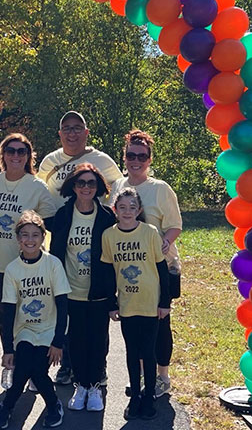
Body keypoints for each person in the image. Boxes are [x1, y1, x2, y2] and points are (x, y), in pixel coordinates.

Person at [37, 111, 122, 384]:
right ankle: (68, 365)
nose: (71, 133)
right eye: (66, 129)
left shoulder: (101, 160)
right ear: (59, 133)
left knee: (96, 320)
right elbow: (40, 195)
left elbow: (119, 192)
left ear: (86, 133)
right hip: (62, 240)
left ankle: (99, 368)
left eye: (77, 128)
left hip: (96, 241)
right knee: (67, 314)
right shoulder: (49, 161)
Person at [107, 129, 182, 398]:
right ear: (124, 157)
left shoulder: (160, 189)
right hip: (130, 271)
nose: (135, 160)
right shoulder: (117, 186)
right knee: (137, 325)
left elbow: (174, 226)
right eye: (130, 155)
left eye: (142, 155)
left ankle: (162, 376)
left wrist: (161, 246)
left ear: (149, 159)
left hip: (162, 268)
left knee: (160, 324)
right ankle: (140, 374)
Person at [0, 211, 71, 429]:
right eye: (24, 235)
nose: (29, 240)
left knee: (36, 369)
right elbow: (8, 312)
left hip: (49, 329)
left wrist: (58, 342)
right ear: (18, 239)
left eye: (35, 235)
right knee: (26, 367)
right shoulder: (13, 269)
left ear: (43, 237)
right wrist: (8, 348)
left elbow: (63, 306)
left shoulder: (53, 264)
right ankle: (49, 404)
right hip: (25, 330)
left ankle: (12, 406)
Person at [47, 164, 116, 412]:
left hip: (98, 292)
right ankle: (80, 385)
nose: (86, 188)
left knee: (98, 341)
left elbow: (114, 257)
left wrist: (112, 296)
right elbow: (55, 253)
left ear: (98, 187)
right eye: (81, 183)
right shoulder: (63, 215)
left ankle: (95, 385)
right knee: (75, 341)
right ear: (73, 187)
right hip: (70, 290)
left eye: (91, 183)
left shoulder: (108, 217)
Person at [96, 188, 170, 420]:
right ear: (115, 210)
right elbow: (108, 271)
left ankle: (149, 397)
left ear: (139, 211)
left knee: (148, 352)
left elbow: (162, 269)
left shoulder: (149, 232)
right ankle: (135, 396)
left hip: (150, 302)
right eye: (122, 207)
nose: (127, 212)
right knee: (132, 351)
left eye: (132, 207)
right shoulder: (109, 236)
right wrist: (111, 302)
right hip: (127, 303)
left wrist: (164, 302)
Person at [0, 133, 57, 350]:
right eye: (10, 151)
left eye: (21, 151)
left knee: (30, 314)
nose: (15, 155)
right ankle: (11, 361)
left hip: (26, 265)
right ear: (2, 155)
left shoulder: (37, 186)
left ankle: (33, 366)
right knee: (4, 314)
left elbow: (50, 223)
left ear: (28, 156)